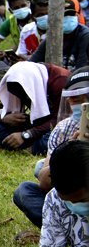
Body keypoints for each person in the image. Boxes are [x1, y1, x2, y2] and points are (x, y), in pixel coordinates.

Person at [13, 66, 88, 228]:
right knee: (25, 191)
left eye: (84, 100)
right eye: (74, 100)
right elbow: (45, 183)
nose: (79, 105)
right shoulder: (63, 129)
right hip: (72, 200)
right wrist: (69, 150)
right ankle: (63, 231)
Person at [0, 61, 69, 156]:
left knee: (55, 139)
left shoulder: (60, 80)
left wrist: (26, 135)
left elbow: (61, 119)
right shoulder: (15, 80)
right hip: (33, 125)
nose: (21, 96)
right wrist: (4, 118)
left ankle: (30, 148)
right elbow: (0, 109)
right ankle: (32, 147)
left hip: (53, 127)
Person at [30, 2, 89, 69]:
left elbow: (81, 68)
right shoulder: (52, 36)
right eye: (64, 15)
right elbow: (32, 62)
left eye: (71, 14)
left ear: (77, 16)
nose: (68, 18)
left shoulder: (85, 35)